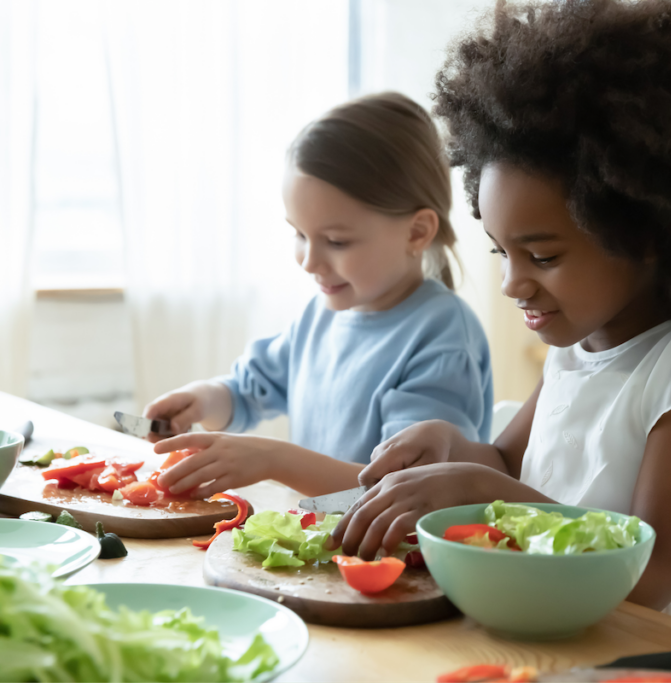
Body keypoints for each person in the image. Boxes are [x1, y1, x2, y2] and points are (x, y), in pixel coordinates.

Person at [328, 0, 671, 633]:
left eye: (541, 254)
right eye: (501, 252)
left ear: (644, 233)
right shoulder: (577, 348)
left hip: (647, 656)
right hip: (543, 636)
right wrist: (455, 450)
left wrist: (479, 491)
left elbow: (650, 574)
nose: (513, 282)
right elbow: (508, 466)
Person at [144, 93, 493, 499]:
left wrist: (273, 460)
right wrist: (202, 400)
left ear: (416, 233)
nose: (309, 261)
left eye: (336, 241)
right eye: (299, 234)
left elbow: (406, 491)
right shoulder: (320, 315)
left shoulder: (441, 335)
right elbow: (247, 390)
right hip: (317, 549)